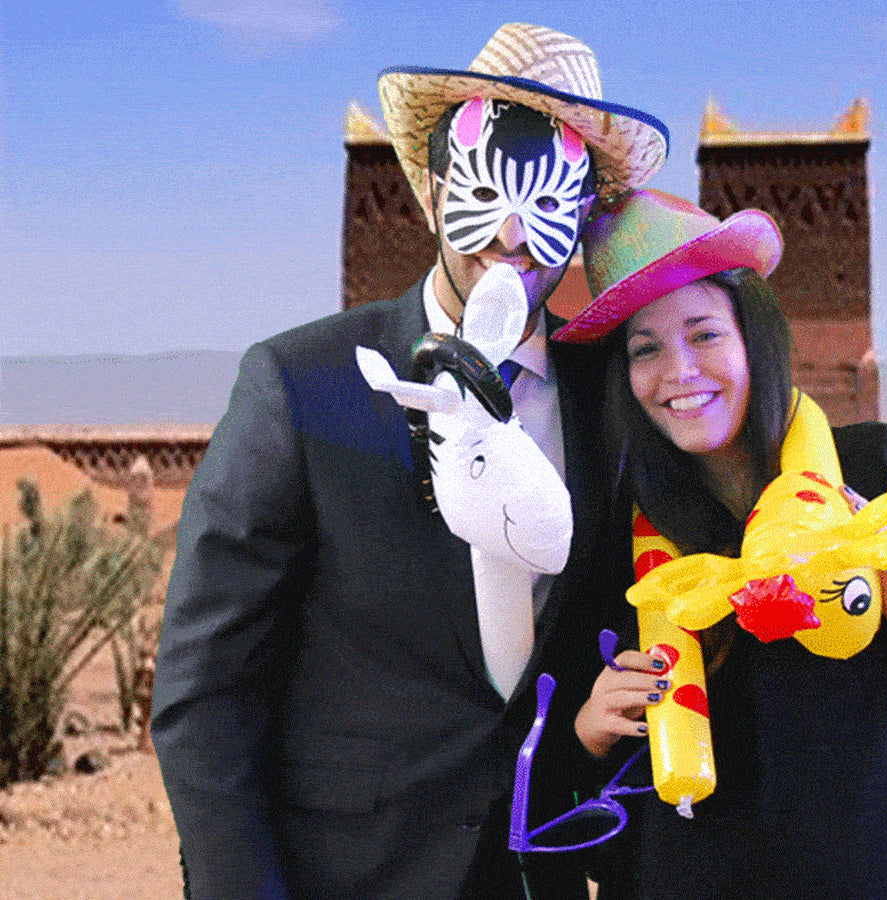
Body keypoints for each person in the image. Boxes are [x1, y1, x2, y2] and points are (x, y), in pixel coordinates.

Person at [151, 23, 668, 900]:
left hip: (534, 875)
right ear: (431, 191)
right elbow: (205, 692)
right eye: (484, 192)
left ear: (582, 214)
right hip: (345, 877)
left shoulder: (610, 399)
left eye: (548, 203)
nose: (511, 236)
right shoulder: (303, 385)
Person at [551, 189, 887, 899]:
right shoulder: (623, 535)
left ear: (756, 339)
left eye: (705, 334)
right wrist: (591, 731)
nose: (678, 371)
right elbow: (573, 790)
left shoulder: (886, 475)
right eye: (645, 349)